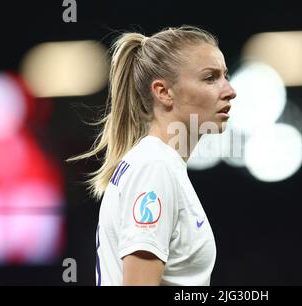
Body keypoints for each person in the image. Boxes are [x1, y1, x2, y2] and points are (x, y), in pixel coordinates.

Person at [67, 25, 237, 285]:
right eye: (210, 78)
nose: (230, 90)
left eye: (225, 75)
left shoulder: (158, 163)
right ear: (164, 92)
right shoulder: (154, 167)